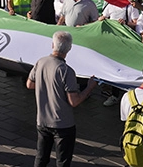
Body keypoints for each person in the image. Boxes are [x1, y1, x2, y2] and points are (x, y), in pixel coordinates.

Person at [26, 31, 98, 167]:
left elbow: (30, 84)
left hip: (42, 121)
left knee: (41, 158)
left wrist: (45, 84)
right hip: (63, 125)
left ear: (52, 45)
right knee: (62, 162)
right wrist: (89, 88)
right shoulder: (66, 71)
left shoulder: (40, 62)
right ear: (69, 48)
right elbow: (74, 101)